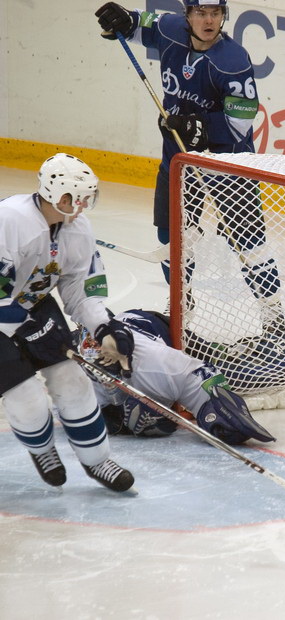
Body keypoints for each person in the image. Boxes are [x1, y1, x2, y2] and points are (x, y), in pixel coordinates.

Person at [94, 0, 285, 330]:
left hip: (227, 165)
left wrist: (199, 126)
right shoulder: (169, 29)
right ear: (188, 14)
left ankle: (274, 314)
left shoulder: (233, 61)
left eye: (216, 13)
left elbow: (240, 122)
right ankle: (181, 300)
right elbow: (138, 25)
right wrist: (122, 20)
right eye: (201, 13)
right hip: (178, 161)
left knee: (250, 242)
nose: (209, 20)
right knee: (171, 236)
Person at [0, 154, 137, 492]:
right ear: (57, 194)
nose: (83, 205)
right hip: (7, 310)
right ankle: (43, 450)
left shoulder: (78, 230)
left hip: (32, 303)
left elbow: (79, 288)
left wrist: (106, 328)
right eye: (78, 197)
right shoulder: (10, 220)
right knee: (27, 396)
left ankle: (97, 460)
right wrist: (27, 325)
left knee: (72, 380)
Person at [76, 309, 278, 444]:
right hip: (129, 331)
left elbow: (208, 379)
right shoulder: (77, 374)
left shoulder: (156, 363)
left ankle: (282, 353)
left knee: (241, 373)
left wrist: (217, 411)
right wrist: (117, 418)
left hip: (168, 332)